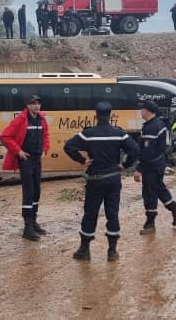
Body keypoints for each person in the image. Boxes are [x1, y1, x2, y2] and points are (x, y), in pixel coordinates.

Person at [64, 102, 139, 262]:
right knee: (112, 213)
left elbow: (68, 146)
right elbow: (135, 150)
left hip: (95, 181)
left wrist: (82, 160)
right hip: (113, 180)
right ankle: (112, 251)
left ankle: (84, 250)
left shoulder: (88, 134)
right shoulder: (119, 133)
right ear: (110, 115)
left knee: (90, 214)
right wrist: (124, 165)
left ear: (96, 115)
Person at [0, 95, 51, 241]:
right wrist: (19, 151)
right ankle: (27, 228)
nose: (37, 106)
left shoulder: (42, 119)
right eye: (34, 103)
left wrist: (44, 149)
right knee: (29, 192)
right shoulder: (20, 119)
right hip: (26, 160)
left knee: (36, 191)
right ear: (28, 106)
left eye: (39, 103)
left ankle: (33, 222)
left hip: (37, 159)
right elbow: (5, 136)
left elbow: (46, 135)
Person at [134, 101, 176, 235]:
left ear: (147, 111)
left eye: (142, 110)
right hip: (158, 163)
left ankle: (150, 223)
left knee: (149, 193)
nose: (141, 112)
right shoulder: (158, 124)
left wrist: (139, 169)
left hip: (151, 165)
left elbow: (148, 152)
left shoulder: (152, 127)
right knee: (159, 189)